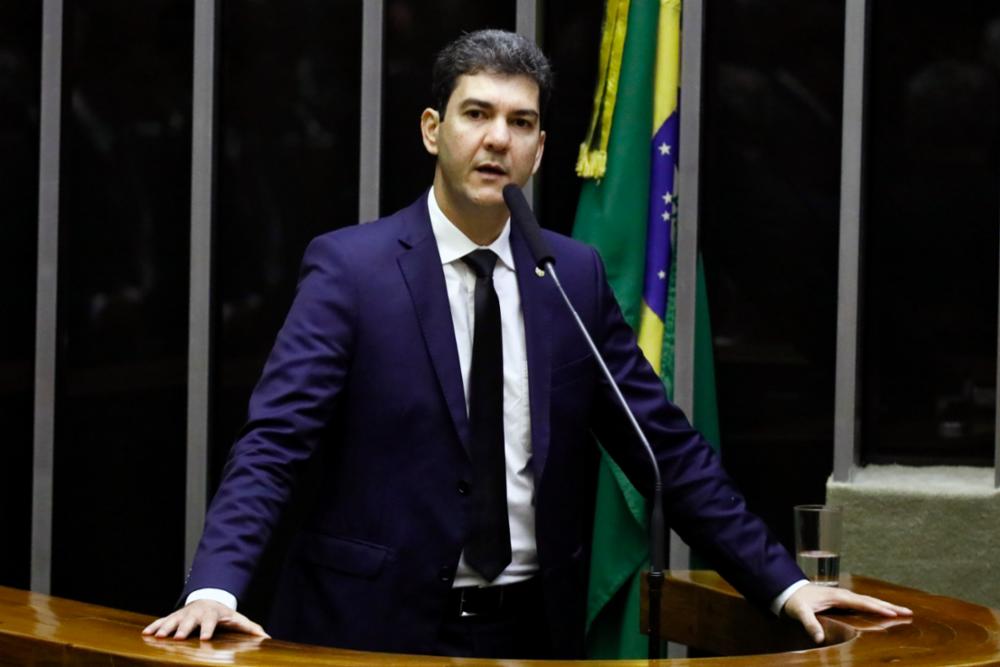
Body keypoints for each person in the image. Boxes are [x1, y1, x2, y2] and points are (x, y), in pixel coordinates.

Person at [143, 30, 910, 659]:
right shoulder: (351, 269)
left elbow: (665, 448)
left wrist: (785, 583)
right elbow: (274, 443)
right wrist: (215, 586)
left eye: (520, 122)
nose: (496, 139)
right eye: (476, 114)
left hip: (532, 630)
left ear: (541, 149)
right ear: (432, 129)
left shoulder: (569, 274)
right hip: (370, 631)